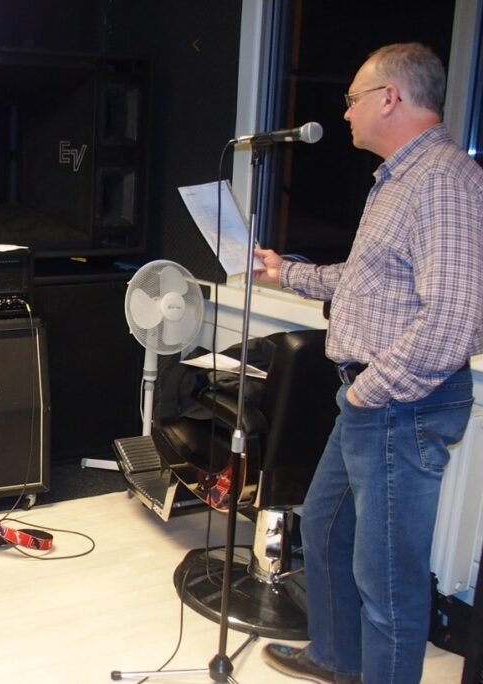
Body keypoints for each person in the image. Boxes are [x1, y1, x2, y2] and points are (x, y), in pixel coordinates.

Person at [253, 43, 482, 684]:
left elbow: (456, 315)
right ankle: (337, 658)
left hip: (400, 405)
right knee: (326, 532)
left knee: (387, 583)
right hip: (371, 403)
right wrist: (285, 272)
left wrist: (370, 390)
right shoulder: (399, 181)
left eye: (353, 99)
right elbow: (365, 283)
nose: (346, 112)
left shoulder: (442, 181)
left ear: (390, 97)